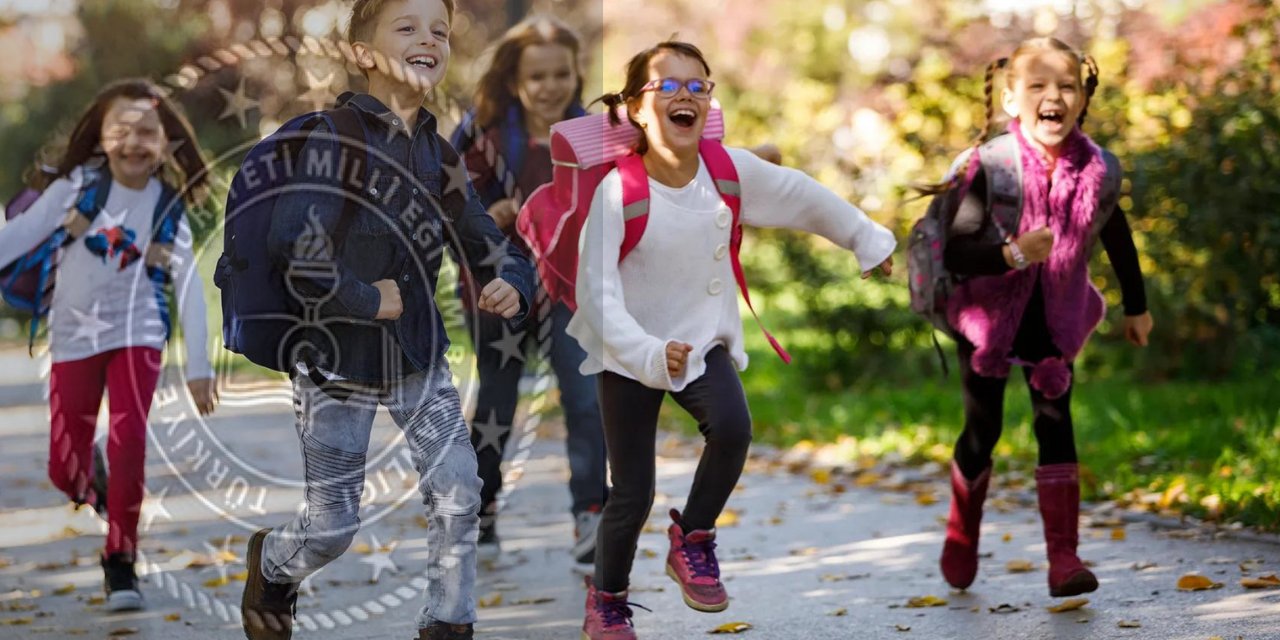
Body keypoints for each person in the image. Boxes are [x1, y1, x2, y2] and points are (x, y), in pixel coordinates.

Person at [568, 40, 896, 639]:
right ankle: (608, 600)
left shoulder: (728, 171)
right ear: (637, 109)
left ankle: (692, 537)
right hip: (628, 352)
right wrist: (644, 351)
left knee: (735, 427)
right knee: (631, 494)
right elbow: (597, 294)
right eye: (667, 86)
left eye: (698, 84)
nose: (685, 94)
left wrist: (866, 240)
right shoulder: (619, 192)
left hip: (700, 343)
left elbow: (803, 196)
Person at [236, 1, 535, 639]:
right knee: (332, 527)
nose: (428, 39)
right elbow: (295, 241)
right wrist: (364, 298)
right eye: (406, 28)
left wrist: (509, 280)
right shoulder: (334, 138)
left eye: (440, 31)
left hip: (418, 356)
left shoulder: (441, 154)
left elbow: (486, 239)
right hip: (336, 361)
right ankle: (273, 563)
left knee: (459, 486)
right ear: (362, 53)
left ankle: (449, 626)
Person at [934, 37, 1154, 598]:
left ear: (1082, 99)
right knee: (984, 430)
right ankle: (962, 532)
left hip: (1055, 316)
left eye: (1066, 86)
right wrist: (1010, 254)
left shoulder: (1096, 168)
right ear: (1012, 101)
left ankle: (1064, 557)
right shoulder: (994, 166)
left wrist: (1137, 305)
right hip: (987, 315)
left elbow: (1115, 231)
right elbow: (955, 251)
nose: (1053, 96)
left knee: (1055, 423)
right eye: (1037, 86)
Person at [0, 79, 217, 611]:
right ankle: (100, 489)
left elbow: (189, 286)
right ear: (100, 137)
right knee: (63, 468)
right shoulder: (74, 188)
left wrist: (199, 365)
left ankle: (121, 560)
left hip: (138, 336)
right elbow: (16, 238)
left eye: (148, 131)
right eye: (121, 129)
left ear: (166, 141)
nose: (134, 141)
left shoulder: (167, 207)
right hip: (73, 339)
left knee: (129, 446)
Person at [449, 15, 608, 567]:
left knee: (586, 398)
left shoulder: (593, 133)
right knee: (497, 401)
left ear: (576, 74)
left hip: (570, 290)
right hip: (499, 288)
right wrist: (494, 215)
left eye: (561, 74)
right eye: (537, 76)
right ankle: (480, 509)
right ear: (515, 78)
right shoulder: (485, 134)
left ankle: (591, 513)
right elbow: (452, 210)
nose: (550, 86)